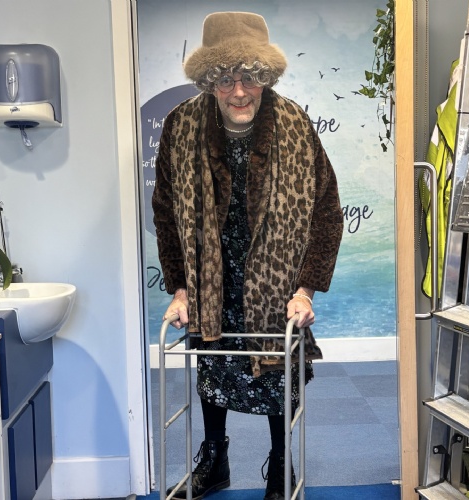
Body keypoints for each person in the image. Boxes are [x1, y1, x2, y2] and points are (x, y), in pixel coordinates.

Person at [152, 11, 343, 500]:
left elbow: (326, 211)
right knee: (214, 369)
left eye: (250, 77)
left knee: (277, 374)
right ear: (208, 80)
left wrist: (305, 290)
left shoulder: (295, 124)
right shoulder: (181, 125)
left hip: (275, 283)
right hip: (212, 277)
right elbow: (166, 213)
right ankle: (215, 459)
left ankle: (280, 465)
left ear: (267, 76)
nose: (239, 92)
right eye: (225, 79)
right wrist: (181, 289)